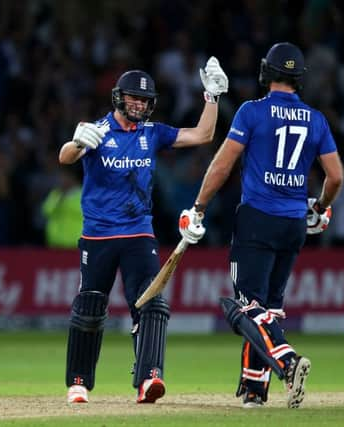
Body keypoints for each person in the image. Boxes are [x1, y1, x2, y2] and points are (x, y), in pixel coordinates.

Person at [178, 42, 344, 408]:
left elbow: (222, 166)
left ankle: (287, 361)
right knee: (268, 308)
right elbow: (335, 176)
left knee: (244, 306)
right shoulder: (316, 119)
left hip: (257, 219)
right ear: (300, 79)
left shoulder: (251, 112)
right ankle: (254, 391)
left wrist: (198, 207)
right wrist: (318, 207)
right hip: (294, 224)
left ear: (266, 72)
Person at [58, 57, 228, 404]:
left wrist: (212, 97)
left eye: (145, 101)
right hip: (98, 235)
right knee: (89, 307)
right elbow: (65, 157)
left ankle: (149, 378)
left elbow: (203, 135)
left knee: (151, 304)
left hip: (138, 234)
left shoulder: (153, 133)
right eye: (134, 98)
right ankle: (78, 383)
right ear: (119, 98)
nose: (140, 105)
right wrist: (77, 142)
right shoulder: (98, 131)